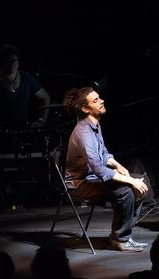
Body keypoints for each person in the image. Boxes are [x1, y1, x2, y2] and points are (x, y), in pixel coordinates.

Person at [63, 87, 149, 252]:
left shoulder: (95, 125)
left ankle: (123, 232)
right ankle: (120, 239)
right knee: (125, 190)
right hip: (80, 184)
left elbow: (103, 153)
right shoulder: (83, 132)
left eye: (99, 97)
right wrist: (131, 181)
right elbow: (99, 169)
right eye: (95, 100)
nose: (101, 100)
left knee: (141, 180)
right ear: (85, 108)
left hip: (92, 178)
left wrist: (117, 165)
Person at [0, 44, 51, 129]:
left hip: (23, 133)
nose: (12, 63)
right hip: (0, 134)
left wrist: (42, 119)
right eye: (9, 60)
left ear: (19, 61)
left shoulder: (27, 78)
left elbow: (45, 97)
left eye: (14, 60)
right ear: (2, 61)